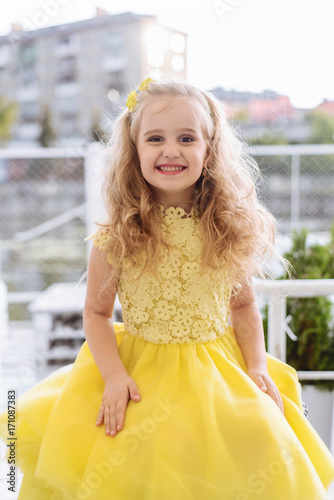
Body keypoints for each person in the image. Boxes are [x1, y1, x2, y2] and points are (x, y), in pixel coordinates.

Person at [1, 78, 334, 500]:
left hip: (219, 369)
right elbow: (96, 314)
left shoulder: (224, 229)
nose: (171, 149)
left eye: (186, 138)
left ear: (208, 150)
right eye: (155, 138)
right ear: (134, 149)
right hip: (140, 371)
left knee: (249, 446)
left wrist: (256, 367)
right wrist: (115, 376)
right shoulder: (117, 235)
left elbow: (245, 305)